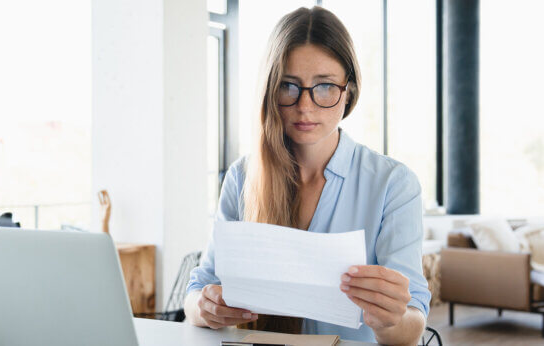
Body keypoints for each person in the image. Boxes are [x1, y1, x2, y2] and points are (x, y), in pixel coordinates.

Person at [184, 6, 430, 345]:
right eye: (289, 85)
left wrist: (391, 319)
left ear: (350, 91)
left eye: (325, 86)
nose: (305, 106)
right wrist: (204, 306)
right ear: (271, 89)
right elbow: (199, 289)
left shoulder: (392, 184)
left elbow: (412, 324)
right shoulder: (243, 176)